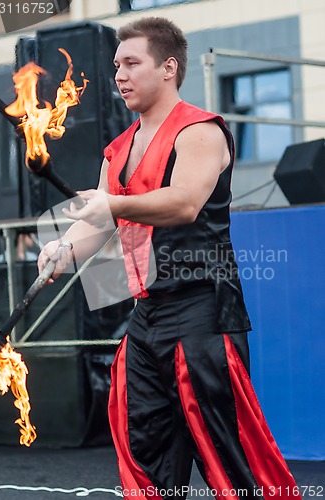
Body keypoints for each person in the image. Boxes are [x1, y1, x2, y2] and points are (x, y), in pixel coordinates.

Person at [38, 17, 302, 499]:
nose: (119, 74)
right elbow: (99, 221)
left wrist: (112, 205)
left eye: (132, 63)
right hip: (147, 316)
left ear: (168, 68)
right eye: (116, 64)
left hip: (203, 312)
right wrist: (62, 248)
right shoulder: (116, 149)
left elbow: (182, 203)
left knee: (230, 455)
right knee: (146, 450)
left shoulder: (200, 131)